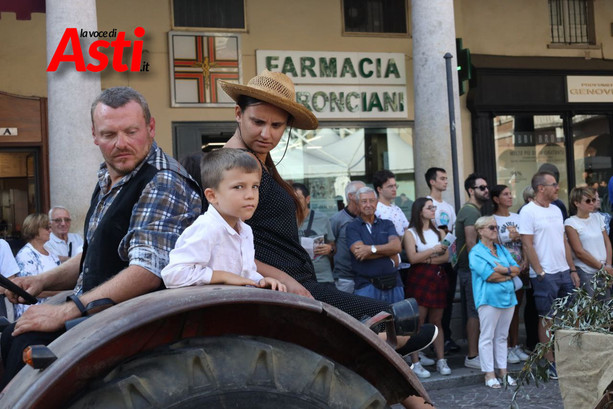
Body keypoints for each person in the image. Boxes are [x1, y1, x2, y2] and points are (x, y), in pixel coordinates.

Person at [220, 71, 438, 408]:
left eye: (277, 126)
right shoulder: (229, 167)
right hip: (286, 287)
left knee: (383, 336)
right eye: (257, 121)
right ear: (238, 113)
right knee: (386, 327)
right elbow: (224, 244)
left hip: (302, 279)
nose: (266, 134)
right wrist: (286, 281)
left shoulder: (259, 163)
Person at [1, 86, 203, 387]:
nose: (121, 144)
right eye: (109, 135)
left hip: (136, 321)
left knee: (24, 343)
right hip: (99, 313)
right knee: (10, 335)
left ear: (150, 127)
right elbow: (98, 253)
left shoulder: (162, 181)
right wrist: (42, 282)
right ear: (94, 135)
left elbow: (147, 271)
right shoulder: (110, 177)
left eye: (131, 131)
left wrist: (65, 312)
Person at [161, 148, 285, 291]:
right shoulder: (206, 228)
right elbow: (173, 275)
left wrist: (260, 280)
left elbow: (245, 274)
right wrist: (223, 276)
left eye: (255, 186)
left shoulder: (245, 231)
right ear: (212, 196)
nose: (250, 195)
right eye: (239, 187)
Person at [519, 171, 579, 379]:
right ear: (540, 188)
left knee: (569, 317)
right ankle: (549, 362)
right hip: (545, 274)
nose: (558, 188)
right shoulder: (528, 211)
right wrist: (540, 271)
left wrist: (571, 268)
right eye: (554, 184)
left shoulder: (556, 209)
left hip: (563, 271)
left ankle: (567, 359)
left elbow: (563, 240)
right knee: (547, 319)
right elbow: (527, 243)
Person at [469, 216, 520, 388]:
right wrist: (508, 274)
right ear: (480, 230)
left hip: (508, 297)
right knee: (487, 336)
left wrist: (504, 270)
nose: (495, 230)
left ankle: (503, 372)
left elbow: (516, 268)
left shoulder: (501, 249)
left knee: (502, 337)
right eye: (491, 227)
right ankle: (489, 374)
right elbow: (489, 276)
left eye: (496, 227)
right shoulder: (476, 252)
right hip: (488, 299)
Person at [403, 197, 451, 378]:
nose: (433, 210)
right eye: (429, 208)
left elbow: (446, 258)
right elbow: (413, 258)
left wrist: (428, 258)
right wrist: (433, 251)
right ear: (419, 211)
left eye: (434, 207)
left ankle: (441, 359)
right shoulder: (411, 233)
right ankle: (416, 362)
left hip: (437, 277)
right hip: (419, 278)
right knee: (418, 321)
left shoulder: (439, 232)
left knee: (437, 321)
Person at [490, 185, 530, 363]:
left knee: (516, 308)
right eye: (505, 194)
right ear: (496, 199)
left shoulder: (518, 217)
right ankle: (504, 346)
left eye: (510, 194)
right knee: (505, 308)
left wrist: (526, 261)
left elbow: (527, 241)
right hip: (504, 269)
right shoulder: (492, 219)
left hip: (521, 267)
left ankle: (515, 345)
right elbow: (493, 244)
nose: (510, 197)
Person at [455, 173, 489, 369]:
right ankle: (473, 355)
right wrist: (481, 270)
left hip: (471, 270)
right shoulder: (470, 212)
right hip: (471, 271)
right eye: (481, 187)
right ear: (471, 190)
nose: (486, 190)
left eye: (486, 187)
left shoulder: (473, 211)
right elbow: (470, 243)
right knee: (474, 313)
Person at [347, 187, 403, 303]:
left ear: (377, 203)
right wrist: (388, 252)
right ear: (358, 204)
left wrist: (370, 249)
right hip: (367, 286)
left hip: (394, 284)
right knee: (369, 321)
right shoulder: (352, 227)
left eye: (372, 200)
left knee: (398, 320)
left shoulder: (387, 224)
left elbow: (397, 247)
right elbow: (360, 253)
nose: (368, 204)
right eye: (364, 201)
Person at [425, 166, 459, 354]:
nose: (446, 181)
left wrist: (452, 258)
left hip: (447, 260)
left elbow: (451, 234)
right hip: (431, 259)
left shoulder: (448, 207)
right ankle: (431, 341)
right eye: (442, 178)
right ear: (432, 181)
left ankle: (446, 338)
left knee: (447, 302)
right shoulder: (427, 204)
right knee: (432, 305)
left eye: (447, 178)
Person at [564, 186, 613, 298]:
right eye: (588, 200)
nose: (592, 203)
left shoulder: (598, 218)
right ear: (576, 203)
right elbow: (579, 251)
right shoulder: (571, 223)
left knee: (605, 306)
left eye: (593, 200)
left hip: (605, 270)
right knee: (589, 309)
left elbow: (607, 242)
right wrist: (602, 268)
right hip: (586, 272)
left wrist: (609, 266)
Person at [13, 213, 61, 320]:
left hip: (52, 311)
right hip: (33, 315)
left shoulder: (50, 252)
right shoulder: (26, 255)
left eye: (50, 227)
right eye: (46, 227)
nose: (50, 230)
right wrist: (62, 292)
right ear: (34, 229)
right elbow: (28, 290)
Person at [293, 183, 335, 284]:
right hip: (298, 278)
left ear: (307, 199)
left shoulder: (322, 218)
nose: (295, 202)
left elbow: (333, 245)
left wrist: (330, 249)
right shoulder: (286, 220)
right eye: (292, 199)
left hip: (323, 277)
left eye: (298, 198)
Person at [329, 180, 365, 293]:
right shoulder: (337, 219)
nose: (365, 195)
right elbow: (330, 247)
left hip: (366, 277)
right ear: (351, 196)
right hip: (345, 278)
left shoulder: (368, 217)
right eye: (361, 192)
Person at [373, 170, 409, 237]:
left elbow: (407, 228)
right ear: (379, 189)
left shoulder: (397, 208)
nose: (394, 189)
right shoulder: (375, 209)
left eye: (395, 186)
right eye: (390, 186)